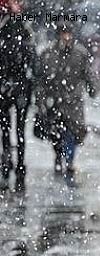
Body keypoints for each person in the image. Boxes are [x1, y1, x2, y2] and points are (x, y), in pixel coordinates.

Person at [37, 24, 96, 187]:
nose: (66, 37)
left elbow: (87, 73)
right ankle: (58, 156)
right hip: (54, 99)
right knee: (56, 133)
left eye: (68, 34)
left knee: (73, 131)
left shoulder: (80, 53)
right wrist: (41, 100)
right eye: (63, 34)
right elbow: (42, 79)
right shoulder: (48, 53)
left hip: (73, 100)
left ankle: (69, 160)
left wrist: (92, 88)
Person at [0, 0, 35, 192]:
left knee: (17, 130)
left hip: (19, 85)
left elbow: (31, 58)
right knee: (8, 130)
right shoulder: (8, 26)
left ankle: (18, 165)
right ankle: (10, 163)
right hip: (10, 85)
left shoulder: (23, 27)